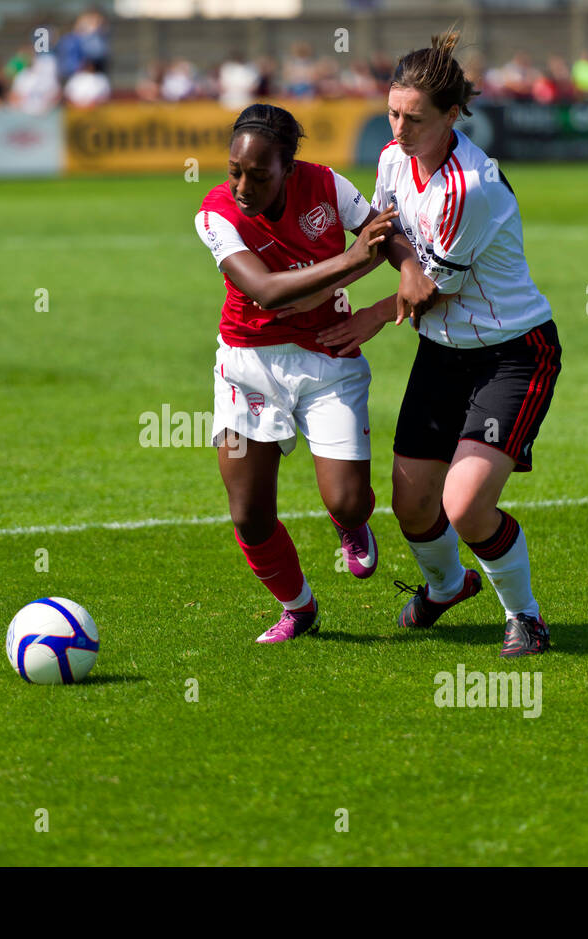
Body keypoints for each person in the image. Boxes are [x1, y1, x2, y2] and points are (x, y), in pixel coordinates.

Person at [315, 33, 562, 658]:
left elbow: (432, 291)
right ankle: (447, 587)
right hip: (443, 353)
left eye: (414, 118)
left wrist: (371, 314)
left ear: (452, 116)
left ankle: (526, 616)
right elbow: (388, 236)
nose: (398, 129)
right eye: (393, 113)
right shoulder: (395, 159)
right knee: (412, 505)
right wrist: (395, 264)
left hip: (513, 353)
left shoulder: (467, 188)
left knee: (465, 505)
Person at [194, 104, 398, 644]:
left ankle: (350, 525)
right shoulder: (215, 214)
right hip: (247, 365)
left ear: (289, 166)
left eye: (259, 175)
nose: (242, 185)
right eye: (235, 170)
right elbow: (262, 290)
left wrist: (403, 282)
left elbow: (385, 237)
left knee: (349, 500)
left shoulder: (329, 186)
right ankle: (298, 607)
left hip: (328, 356)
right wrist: (350, 264)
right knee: (249, 513)